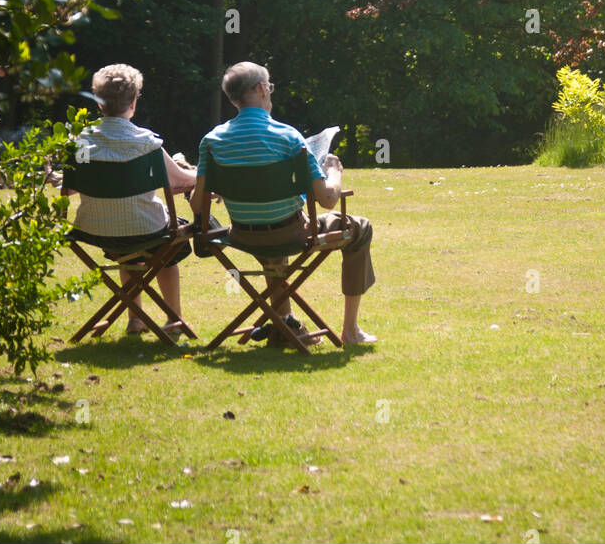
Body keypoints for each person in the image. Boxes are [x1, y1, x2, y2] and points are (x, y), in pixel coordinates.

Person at [191, 62, 376, 346]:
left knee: (272, 249)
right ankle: (350, 331)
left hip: (242, 235)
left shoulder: (212, 141)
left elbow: (197, 206)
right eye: (271, 87)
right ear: (262, 89)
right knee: (360, 227)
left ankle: (285, 326)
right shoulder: (288, 137)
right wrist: (334, 172)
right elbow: (327, 200)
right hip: (289, 233)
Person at [68, 64, 197, 338]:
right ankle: (173, 318)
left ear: (98, 103)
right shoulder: (145, 143)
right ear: (134, 101)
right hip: (147, 229)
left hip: (96, 230)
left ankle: (135, 318)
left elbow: (67, 190)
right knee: (167, 249)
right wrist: (201, 174)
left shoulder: (79, 142)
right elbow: (180, 181)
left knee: (128, 252)